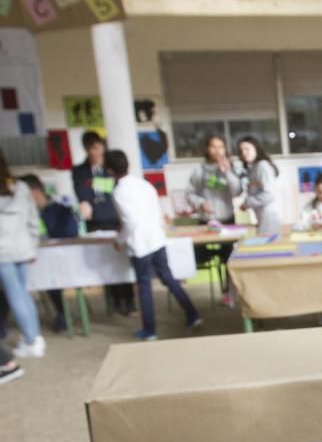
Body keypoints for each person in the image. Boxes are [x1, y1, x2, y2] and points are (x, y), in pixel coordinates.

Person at [105, 150, 202, 341]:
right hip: (157, 239)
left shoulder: (119, 192)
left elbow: (130, 223)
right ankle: (193, 315)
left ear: (109, 170)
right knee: (169, 278)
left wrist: (119, 240)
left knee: (144, 286)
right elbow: (156, 210)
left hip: (140, 245)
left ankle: (149, 330)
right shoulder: (144, 184)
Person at [72, 131, 135, 316]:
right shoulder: (80, 170)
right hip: (95, 222)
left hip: (115, 219)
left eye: (97, 147)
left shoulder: (110, 167)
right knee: (105, 262)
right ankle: (115, 300)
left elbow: (120, 188)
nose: (94, 152)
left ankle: (129, 300)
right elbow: (81, 191)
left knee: (121, 262)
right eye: (90, 148)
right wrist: (85, 202)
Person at [186, 135, 243, 300]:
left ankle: (229, 293)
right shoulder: (198, 170)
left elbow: (237, 191)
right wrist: (200, 203)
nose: (217, 150)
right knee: (201, 255)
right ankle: (219, 288)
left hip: (227, 219)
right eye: (213, 146)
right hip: (206, 221)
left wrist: (227, 173)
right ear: (207, 148)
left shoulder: (231, 167)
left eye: (220, 147)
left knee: (229, 258)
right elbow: (189, 193)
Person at [0, 149, 44, 358]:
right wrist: (33, 245)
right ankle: (34, 337)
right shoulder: (21, 187)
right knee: (24, 294)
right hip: (23, 248)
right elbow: (33, 219)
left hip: (3, 253)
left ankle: (30, 340)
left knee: (15, 296)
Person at [21, 174, 78, 332]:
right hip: (31, 258)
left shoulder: (61, 209)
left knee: (51, 278)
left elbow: (71, 233)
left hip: (59, 261)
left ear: (34, 191)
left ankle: (62, 314)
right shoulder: (25, 213)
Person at [237, 137, 283, 236]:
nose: (244, 153)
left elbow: (269, 194)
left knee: (267, 243)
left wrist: (247, 203)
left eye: (247, 149)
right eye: (241, 150)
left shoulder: (262, 165)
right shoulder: (253, 168)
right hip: (261, 215)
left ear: (256, 148)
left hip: (269, 216)